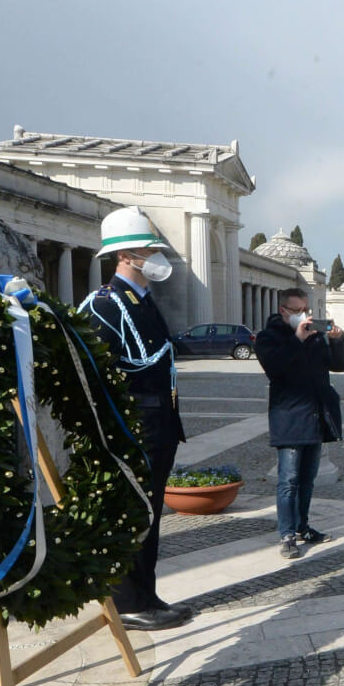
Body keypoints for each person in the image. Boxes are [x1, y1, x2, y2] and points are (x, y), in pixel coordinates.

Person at [79, 206, 194, 631]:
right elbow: (100, 376)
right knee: (132, 514)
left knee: (150, 515)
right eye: (148, 250)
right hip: (132, 430)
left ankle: (147, 594)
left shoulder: (141, 300)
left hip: (157, 428)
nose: (156, 256)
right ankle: (127, 601)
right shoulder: (105, 305)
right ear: (125, 256)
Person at [255, 288, 344, 559]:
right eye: (297, 311)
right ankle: (286, 534)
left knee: (307, 480)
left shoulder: (315, 336)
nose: (303, 315)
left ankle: (302, 527)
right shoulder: (269, 337)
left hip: (315, 416)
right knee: (289, 480)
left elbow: (339, 365)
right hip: (289, 418)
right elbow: (276, 369)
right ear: (283, 311)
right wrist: (297, 338)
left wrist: (337, 341)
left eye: (305, 310)